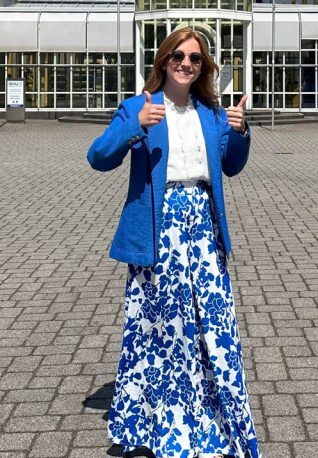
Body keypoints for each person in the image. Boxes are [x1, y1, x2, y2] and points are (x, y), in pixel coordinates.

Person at [88, 26, 260, 458]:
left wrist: (240, 132)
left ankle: (210, 418)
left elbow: (232, 166)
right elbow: (99, 158)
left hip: (202, 228)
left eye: (195, 59)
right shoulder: (138, 107)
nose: (186, 64)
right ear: (163, 61)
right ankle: (145, 426)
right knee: (159, 327)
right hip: (157, 230)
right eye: (178, 56)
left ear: (204, 67)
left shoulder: (212, 112)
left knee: (212, 326)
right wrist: (134, 126)